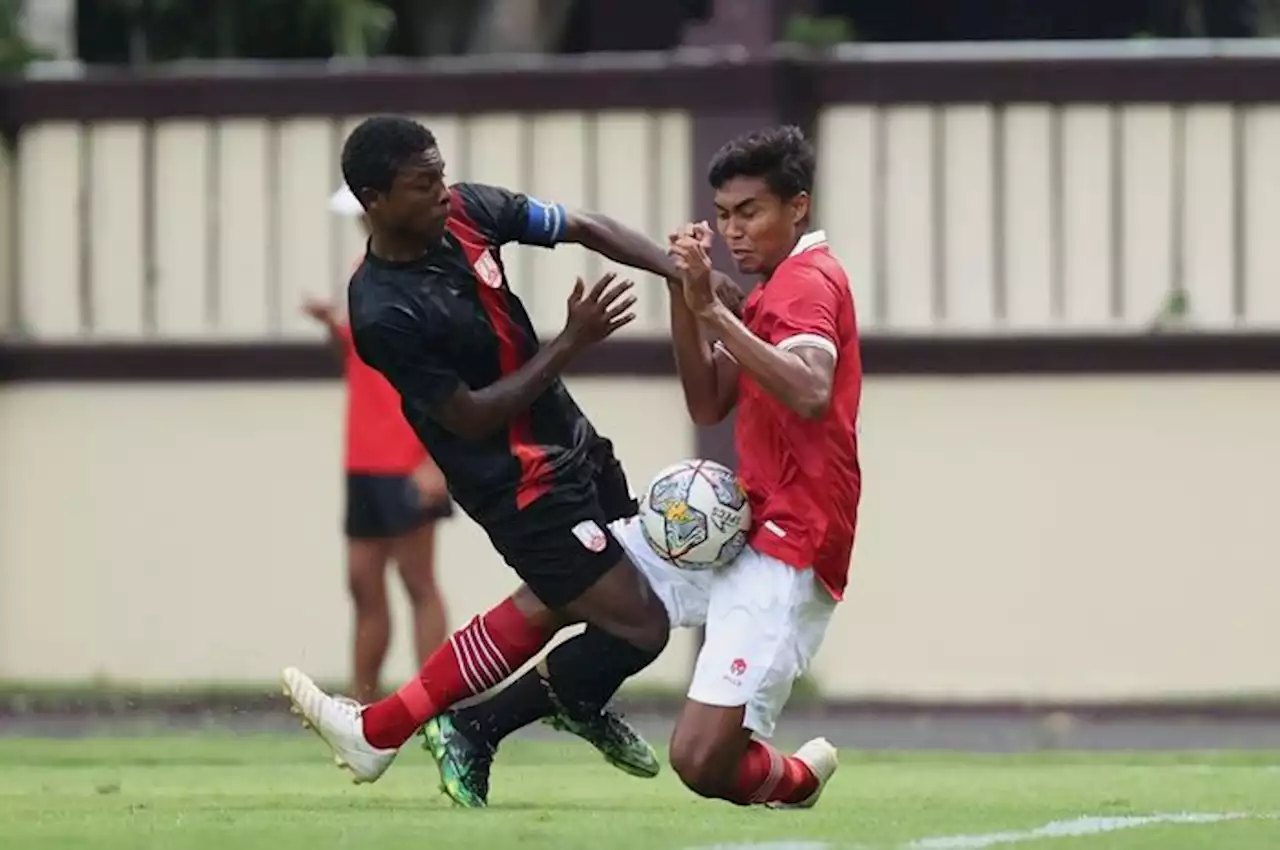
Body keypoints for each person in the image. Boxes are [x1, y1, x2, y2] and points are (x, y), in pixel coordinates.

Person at [422, 125, 854, 810]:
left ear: (797, 207)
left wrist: (711, 309)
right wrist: (689, 300)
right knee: (581, 583)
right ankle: (447, 725)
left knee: (700, 761)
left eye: (751, 213)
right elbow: (707, 399)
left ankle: (798, 778)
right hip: (747, 519)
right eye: (723, 216)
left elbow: (809, 389)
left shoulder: (806, 283)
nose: (734, 232)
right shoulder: (772, 290)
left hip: (791, 543)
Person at [280, 115, 706, 802]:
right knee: (639, 622)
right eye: (424, 185)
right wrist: (570, 342)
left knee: (562, 604)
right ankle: (485, 724)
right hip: (519, 485)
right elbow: (471, 415)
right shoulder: (383, 310)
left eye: (442, 175)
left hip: (577, 446)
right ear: (374, 200)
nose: (444, 192)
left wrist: (678, 274)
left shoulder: (471, 211)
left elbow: (581, 224)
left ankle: (382, 730)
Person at [300, 184, 454, 703]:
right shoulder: (361, 277)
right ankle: (362, 707)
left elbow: (444, 376)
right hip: (363, 456)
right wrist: (331, 326)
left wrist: (435, 460)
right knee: (362, 582)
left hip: (409, 457)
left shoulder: (426, 280)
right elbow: (361, 356)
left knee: (417, 582)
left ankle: (434, 705)